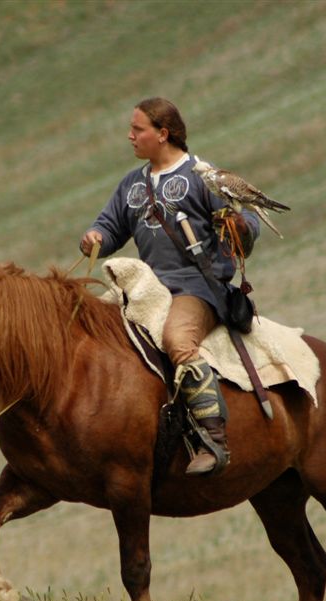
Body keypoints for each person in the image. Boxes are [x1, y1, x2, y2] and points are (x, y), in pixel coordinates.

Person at [80, 97, 260, 475]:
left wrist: (239, 228)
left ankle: (214, 439)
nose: (130, 136)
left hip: (198, 289)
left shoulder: (202, 176)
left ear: (163, 134)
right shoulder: (132, 185)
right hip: (149, 288)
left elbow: (248, 226)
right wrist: (96, 236)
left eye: (138, 129)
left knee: (178, 339)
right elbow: (111, 226)